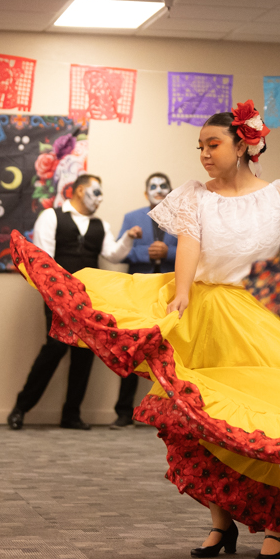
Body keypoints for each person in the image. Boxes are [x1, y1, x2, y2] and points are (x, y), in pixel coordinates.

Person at [8, 100, 280, 559]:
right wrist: (180, 293)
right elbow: (190, 248)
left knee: (249, 419)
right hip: (203, 314)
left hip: (258, 318)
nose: (204, 153)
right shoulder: (194, 197)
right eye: (200, 145)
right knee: (204, 420)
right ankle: (220, 523)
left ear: (243, 144)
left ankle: (276, 527)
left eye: (213, 144)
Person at [7, 174, 142, 430]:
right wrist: (53, 295)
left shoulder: (100, 224)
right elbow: (43, 258)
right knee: (55, 348)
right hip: (57, 298)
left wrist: (129, 238)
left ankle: (71, 414)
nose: (100, 199)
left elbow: (113, 255)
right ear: (80, 190)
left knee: (84, 353)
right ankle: (20, 408)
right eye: (96, 192)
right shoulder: (51, 217)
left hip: (89, 300)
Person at [110, 172, 178, 429]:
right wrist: (146, 253)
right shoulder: (132, 217)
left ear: (170, 191)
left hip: (171, 294)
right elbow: (120, 251)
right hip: (138, 293)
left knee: (172, 354)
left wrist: (168, 252)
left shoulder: (183, 217)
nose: (158, 190)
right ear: (145, 192)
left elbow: (194, 251)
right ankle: (123, 412)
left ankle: (172, 414)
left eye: (163, 186)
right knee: (132, 350)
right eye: (153, 187)